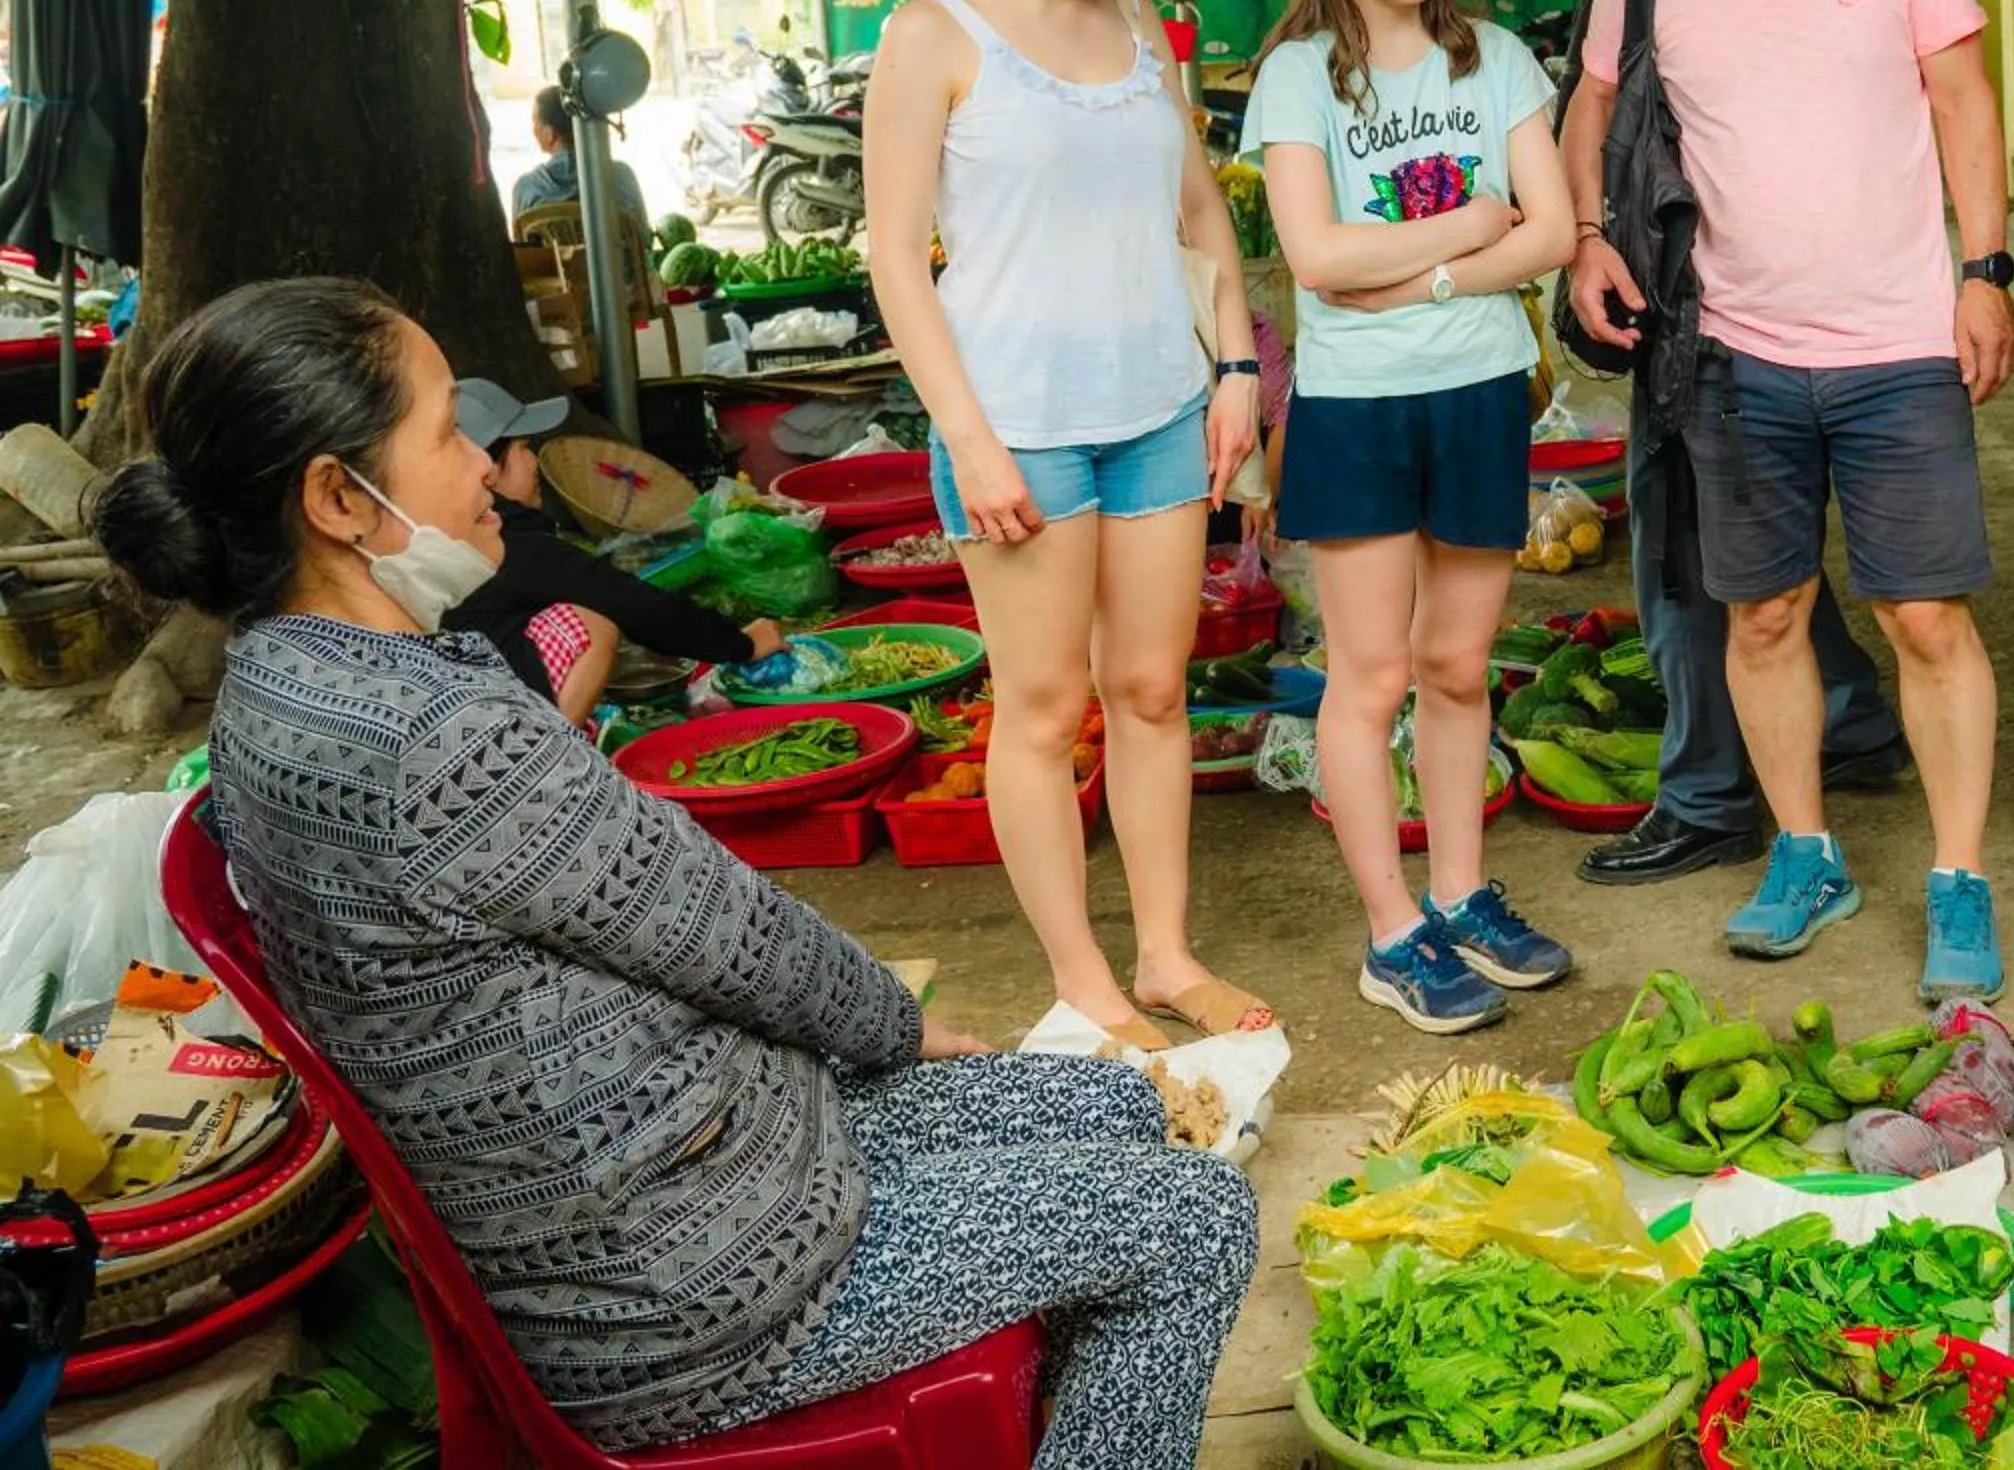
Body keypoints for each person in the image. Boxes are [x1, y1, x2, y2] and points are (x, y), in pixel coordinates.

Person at [92, 278, 1258, 1464]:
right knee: (1195, 1218)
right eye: (449, 434)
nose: (491, 470)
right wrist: (894, 1028)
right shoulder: (435, 736)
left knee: (1117, 1100)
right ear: (339, 499)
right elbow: (731, 932)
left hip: (668, 1176)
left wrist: (879, 1041)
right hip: (688, 1282)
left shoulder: (270, 689)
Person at [1562, 0, 2014, 1000]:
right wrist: (1595, 233)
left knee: (1925, 619)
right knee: (1762, 615)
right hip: (1733, 350)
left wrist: (1984, 267)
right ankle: (1807, 851)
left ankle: (1958, 874)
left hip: (1895, 341)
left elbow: (1963, 97)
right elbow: (1598, 106)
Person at [862, 0, 1272, 1054]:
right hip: (1018, 425)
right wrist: (970, 442)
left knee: (1152, 691)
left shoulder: (1138, 28)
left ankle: (1165, 954)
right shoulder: (932, 38)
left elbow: (1197, 206)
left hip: (1158, 399)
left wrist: (1237, 366)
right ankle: (1083, 981)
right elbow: (891, 260)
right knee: (1043, 712)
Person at [1533, 0, 1912, 888]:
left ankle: (1705, 796)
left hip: (1693, 313)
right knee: (1762, 557)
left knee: (1687, 562)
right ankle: (1848, 721)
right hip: (1778, 301)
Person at [1245, 0, 1581, 1034]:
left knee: (1455, 665)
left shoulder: (1493, 56)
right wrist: (1467, 225)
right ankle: (1392, 929)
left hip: (1479, 386)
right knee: (1372, 672)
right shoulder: (1293, 76)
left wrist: (1423, 274)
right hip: (1358, 404)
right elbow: (1318, 257)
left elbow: (1548, 229)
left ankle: (1462, 892)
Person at [440, 378, 786, 724]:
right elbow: (633, 604)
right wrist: (742, 645)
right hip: (486, 720)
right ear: (487, 470)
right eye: (523, 448)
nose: (534, 462)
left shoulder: (443, 534)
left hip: (458, 712)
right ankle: (553, 758)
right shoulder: (509, 544)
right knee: (592, 625)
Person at [513, 84, 650, 230]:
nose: (534, 129)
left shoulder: (527, 188)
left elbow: (521, 250)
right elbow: (644, 239)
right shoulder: (622, 175)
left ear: (550, 134)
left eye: (536, 123)